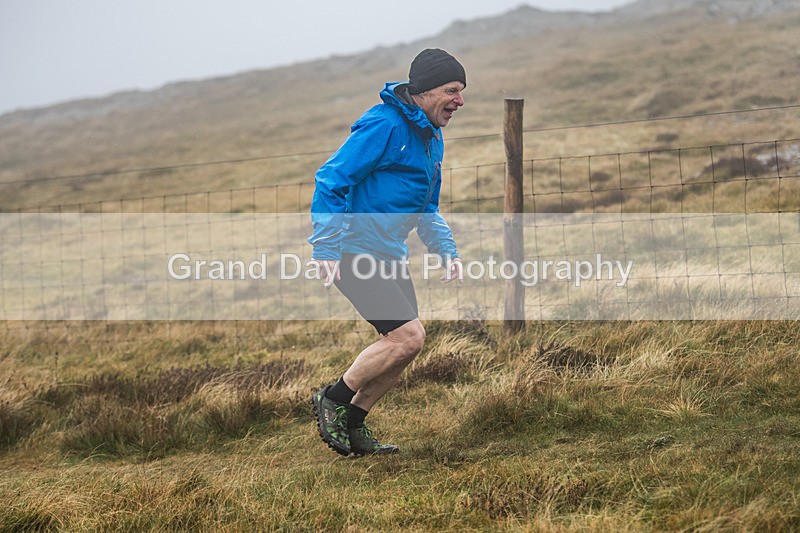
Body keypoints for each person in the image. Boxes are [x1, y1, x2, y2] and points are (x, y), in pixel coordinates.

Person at [308, 48, 467, 456]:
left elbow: (426, 207)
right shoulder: (384, 124)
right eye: (452, 90)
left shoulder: (432, 138)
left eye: (462, 92)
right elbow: (331, 179)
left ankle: (354, 425)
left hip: (388, 253)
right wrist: (326, 246)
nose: (460, 101)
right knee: (407, 337)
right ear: (426, 90)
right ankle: (334, 401)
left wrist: (444, 249)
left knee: (403, 347)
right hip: (352, 248)